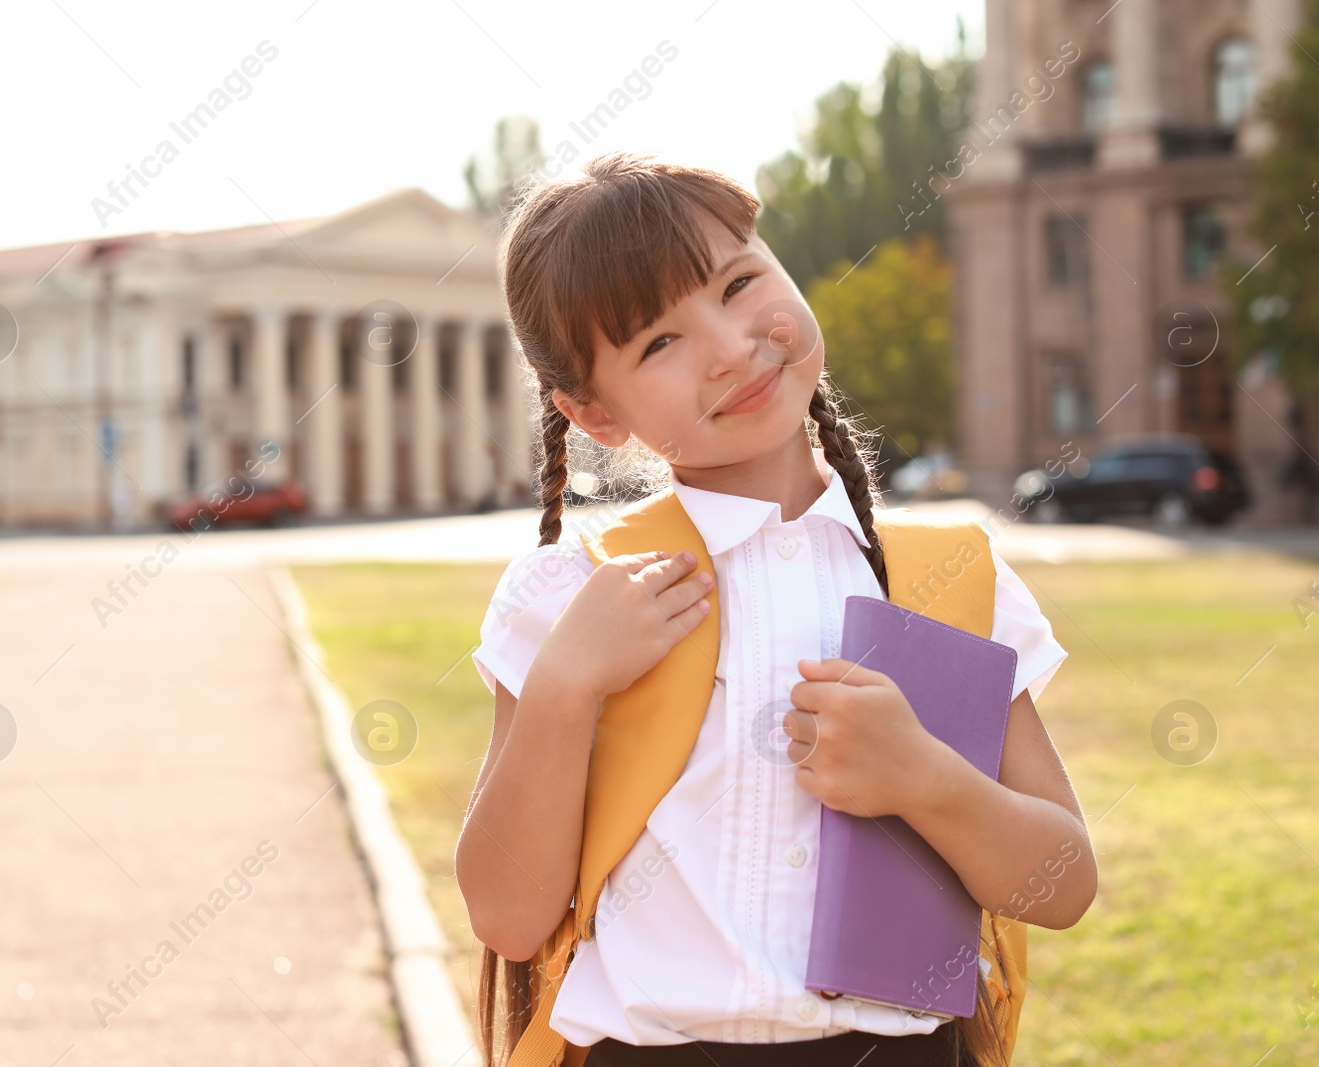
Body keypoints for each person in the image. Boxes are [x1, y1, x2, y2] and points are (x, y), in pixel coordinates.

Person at [456, 153, 1097, 1067]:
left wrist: (921, 777)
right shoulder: (576, 594)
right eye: (658, 343)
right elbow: (509, 918)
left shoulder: (944, 577)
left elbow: (1063, 880)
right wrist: (565, 683)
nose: (727, 345)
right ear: (594, 414)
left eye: (740, 281)